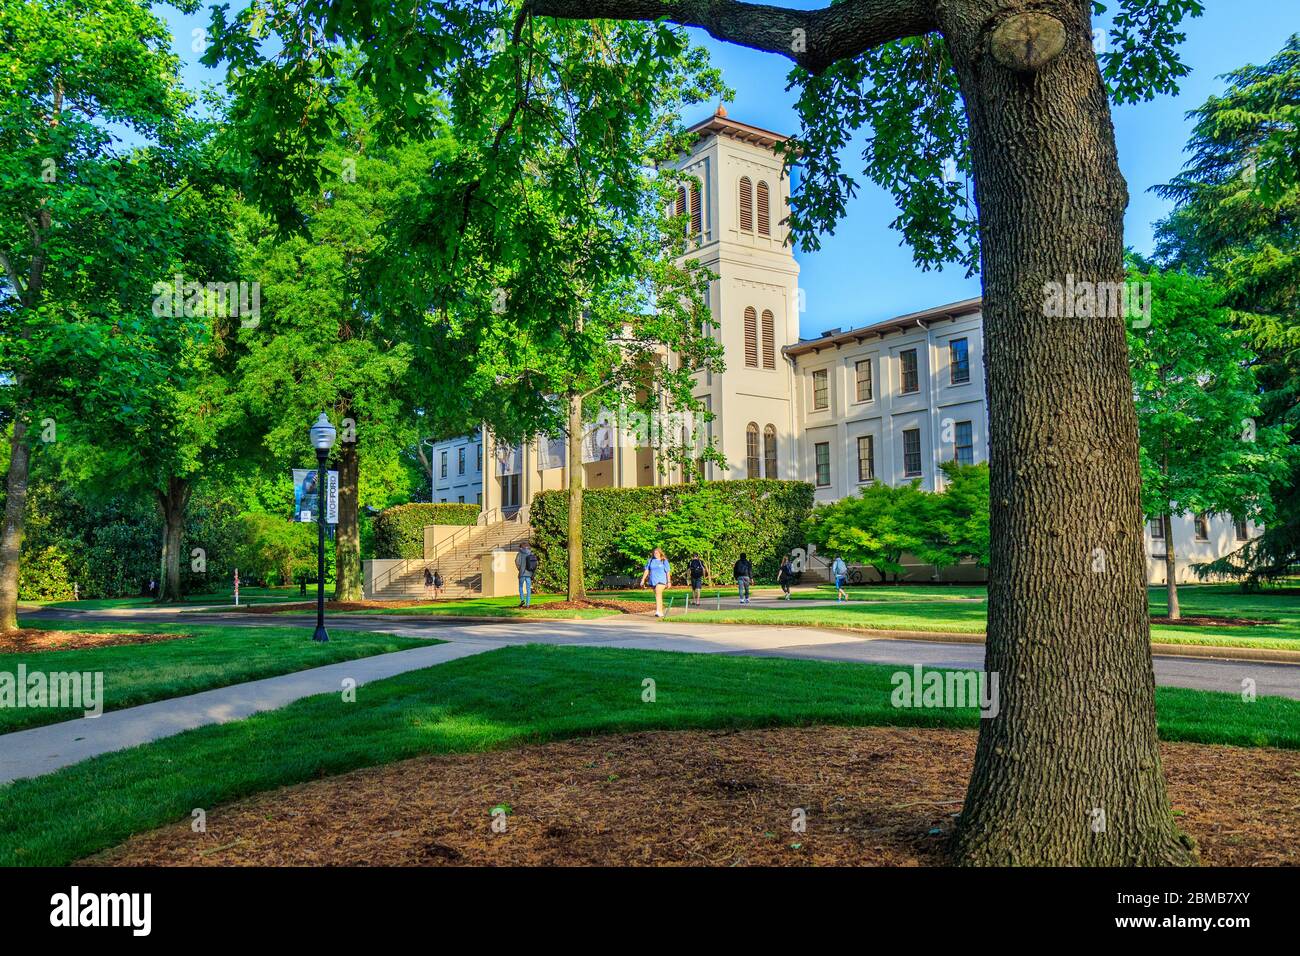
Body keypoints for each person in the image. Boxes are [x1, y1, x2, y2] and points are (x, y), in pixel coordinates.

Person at [639, 547, 672, 618]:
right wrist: (643, 579)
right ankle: (661, 611)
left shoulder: (664, 561)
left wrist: (669, 581)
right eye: (654, 553)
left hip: (661, 581)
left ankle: (657, 611)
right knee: (658, 596)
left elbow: (668, 572)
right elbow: (647, 570)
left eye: (657, 553)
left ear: (660, 553)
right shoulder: (650, 561)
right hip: (653, 581)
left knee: (658, 594)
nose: (655, 554)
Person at [515, 543, 537, 607]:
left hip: (522, 573)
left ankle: (522, 600)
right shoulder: (530, 553)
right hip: (529, 574)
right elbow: (534, 563)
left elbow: (517, 562)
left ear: (521, 547)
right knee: (528, 589)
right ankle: (528, 604)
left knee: (520, 587)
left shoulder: (519, 554)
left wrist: (520, 569)